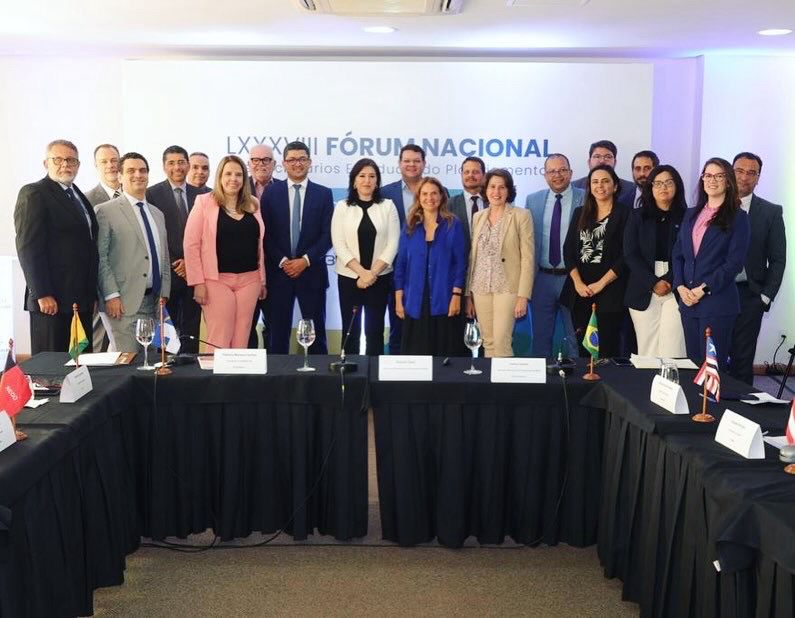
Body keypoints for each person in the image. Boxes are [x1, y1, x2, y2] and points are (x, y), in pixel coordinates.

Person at [14, 139, 98, 354]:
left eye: (71, 160)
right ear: (46, 163)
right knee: (52, 367)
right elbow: (28, 247)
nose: (65, 164)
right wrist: (42, 293)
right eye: (58, 159)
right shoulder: (34, 193)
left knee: (80, 364)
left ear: (78, 165)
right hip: (52, 303)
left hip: (80, 302)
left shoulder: (78, 195)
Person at [672, 157, 750, 366]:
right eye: (708, 175)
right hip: (688, 303)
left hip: (717, 304)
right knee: (693, 367)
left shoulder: (738, 217)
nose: (712, 180)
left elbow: (734, 263)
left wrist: (703, 289)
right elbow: (678, 254)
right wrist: (679, 287)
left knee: (712, 369)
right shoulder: (690, 214)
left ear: (728, 182)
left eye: (718, 176)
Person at [183, 155, 266, 349]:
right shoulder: (204, 202)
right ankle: (214, 370)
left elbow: (259, 245)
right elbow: (191, 244)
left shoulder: (253, 203)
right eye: (228, 174)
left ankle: (238, 371)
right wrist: (197, 283)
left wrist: (262, 280)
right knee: (219, 336)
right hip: (216, 281)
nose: (233, 179)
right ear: (220, 177)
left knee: (242, 336)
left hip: (250, 280)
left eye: (238, 174)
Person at [261, 141, 333, 354]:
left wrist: (305, 261)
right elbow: (265, 234)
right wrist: (283, 261)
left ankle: (319, 373)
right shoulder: (271, 193)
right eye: (292, 159)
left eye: (302, 159)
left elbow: (328, 235)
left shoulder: (323, 194)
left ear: (309, 162)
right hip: (279, 273)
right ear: (284, 163)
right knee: (277, 335)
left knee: (316, 334)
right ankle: (277, 374)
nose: (297, 163)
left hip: (312, 272)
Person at [96, 153, 171, 352]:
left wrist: (164, 294)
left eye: (142, 170)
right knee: (127, 362)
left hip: (154, 304)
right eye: (131, 171)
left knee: (152, 363)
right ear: (120, 176)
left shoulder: (157, 214)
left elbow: (163, 257)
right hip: (122, 304)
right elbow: (101, 258)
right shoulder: (105, 211)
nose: (138, 175)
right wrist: (111, 295)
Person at [728, 152, 787, 385]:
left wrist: (764, 297)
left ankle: (742, 406)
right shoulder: (713, 206)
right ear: (730, 173)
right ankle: (709, 404)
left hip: (749, 295)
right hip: (713, 292)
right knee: (712, 356)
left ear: (758, 177)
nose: (744, 177)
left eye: (751, 173)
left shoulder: (771, 212)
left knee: (742, 361)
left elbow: (778, 259)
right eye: (739, 171)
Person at [331, 158, 399, 355]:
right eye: (362, 176)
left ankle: (374, 370)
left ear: (377, 181)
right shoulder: (342, 207)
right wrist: (362, 273)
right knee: (350, 329)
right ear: (354, 181)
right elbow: (339, 244)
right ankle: (349, 368)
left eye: (372, 176)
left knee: (375, 330)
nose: (367, 180)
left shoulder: (388, 206)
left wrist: (372, 274)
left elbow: (393, 244)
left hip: (380, 278)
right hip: (349, 278)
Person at [561, 164, 629, 358]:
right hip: (581, 292)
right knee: (584, 349)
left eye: (605, 181)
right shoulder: (580, 212)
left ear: (615, 186)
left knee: (607, 348)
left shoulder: (626, 214)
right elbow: (568, 251)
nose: (600, 186)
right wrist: (578, 283)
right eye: (595, 182)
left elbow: (626, 255)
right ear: (590, 187)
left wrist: (601, 283)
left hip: (610, 291)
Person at [395, 177, 467, 356]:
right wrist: (398, 299)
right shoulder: (410, 226)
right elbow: (401, 265)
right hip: (415, 301)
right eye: (425, 194)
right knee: (417, 355)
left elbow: (460, 264)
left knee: (444, 355)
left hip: (444, 299)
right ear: (418, 198)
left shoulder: (453, 225)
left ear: (442, 196)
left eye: (434, 193)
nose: (430, 198)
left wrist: (456, 295)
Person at [465, 169, 534, 358]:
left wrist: (523, 296)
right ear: (485, 190)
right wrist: (468, 294)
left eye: (502, 187)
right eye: (492, 187)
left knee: (502, 340)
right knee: (487, 341)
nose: (496, 192)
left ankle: (504, 378)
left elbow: (528, 258)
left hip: (507, 287)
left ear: (509, 190)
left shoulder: (521, 215)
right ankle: (490, 377)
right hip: (480, 286)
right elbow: (473, 257)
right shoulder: (478, 217)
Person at [623, 165, 687, 357]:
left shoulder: (688, 217)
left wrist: (669, 280)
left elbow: (687, 254)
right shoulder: (637, 216)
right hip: (643, 284)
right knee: (647, 348)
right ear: (650, 188)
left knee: (673, 346)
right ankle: (649, 379)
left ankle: (672, 378)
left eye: (668, 183)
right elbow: (630, 254)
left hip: (677, 284)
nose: (663, 188)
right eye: (657, 183)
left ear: (677, 186)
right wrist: (653, 282)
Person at [525, 153, 583, 359]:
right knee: (540, 338)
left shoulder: (586, 198)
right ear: (545, 175)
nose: (557, 175)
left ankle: (579, 376)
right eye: (552, 171)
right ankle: (541, 378)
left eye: (562, 170)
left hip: (574, 279)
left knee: (576, 336)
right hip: (541, 279)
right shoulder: (533, 200)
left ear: (571, 173)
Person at [146, 145, 201, 353]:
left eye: (181, 162)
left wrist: (190, 263)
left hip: (194, 274)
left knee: (191, 328)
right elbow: (152, 234)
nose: (177, 167)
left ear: (188, 165)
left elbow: (205, 235)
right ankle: (165, 366)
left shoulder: (202, 194)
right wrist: (176, 264)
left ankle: (191, 365)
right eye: (171, 163)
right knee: (166, 332)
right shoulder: (151, 194)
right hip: (167, 274)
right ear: (164, 167)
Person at [382, 144, 428, 354]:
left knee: (425, 326)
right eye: (407, 161)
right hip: (395, 269)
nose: (412, 165)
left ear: (424, 164)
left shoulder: (436, 191)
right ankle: (396, 368)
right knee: (397, 325)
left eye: (416, 161)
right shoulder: (385, 193)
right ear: (399, 164)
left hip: (428, 271)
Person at [85, 143, 122, 352]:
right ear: (96, 166)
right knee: (100, 342)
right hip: (101, 284)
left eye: (114, 160)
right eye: (104, 161)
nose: (110, 165)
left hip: (132, 283)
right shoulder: (86, 200)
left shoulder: (136, 196)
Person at [247, 144, 278, 348]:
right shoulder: (236, 188)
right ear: (249, 164)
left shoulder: (284, 189)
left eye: (266, 160)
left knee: (275, 326)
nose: (261, 164)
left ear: (274, 164)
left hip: (277, 269)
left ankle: (273, 364)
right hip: (247, 270)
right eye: (256, 160)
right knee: (246, 325)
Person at [571, 139, 635, 207]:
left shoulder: (631, 188)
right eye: (597, 156)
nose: (602, 161)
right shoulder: (573, 187)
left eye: (608, 157)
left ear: (615, 162)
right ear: (589, 162)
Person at [448, 156, 486, 238]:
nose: (470, 175)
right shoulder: (449, 204)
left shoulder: (492, 203)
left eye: (475, 172)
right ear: (461, 175)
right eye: (466, 172)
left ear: (484, 175)